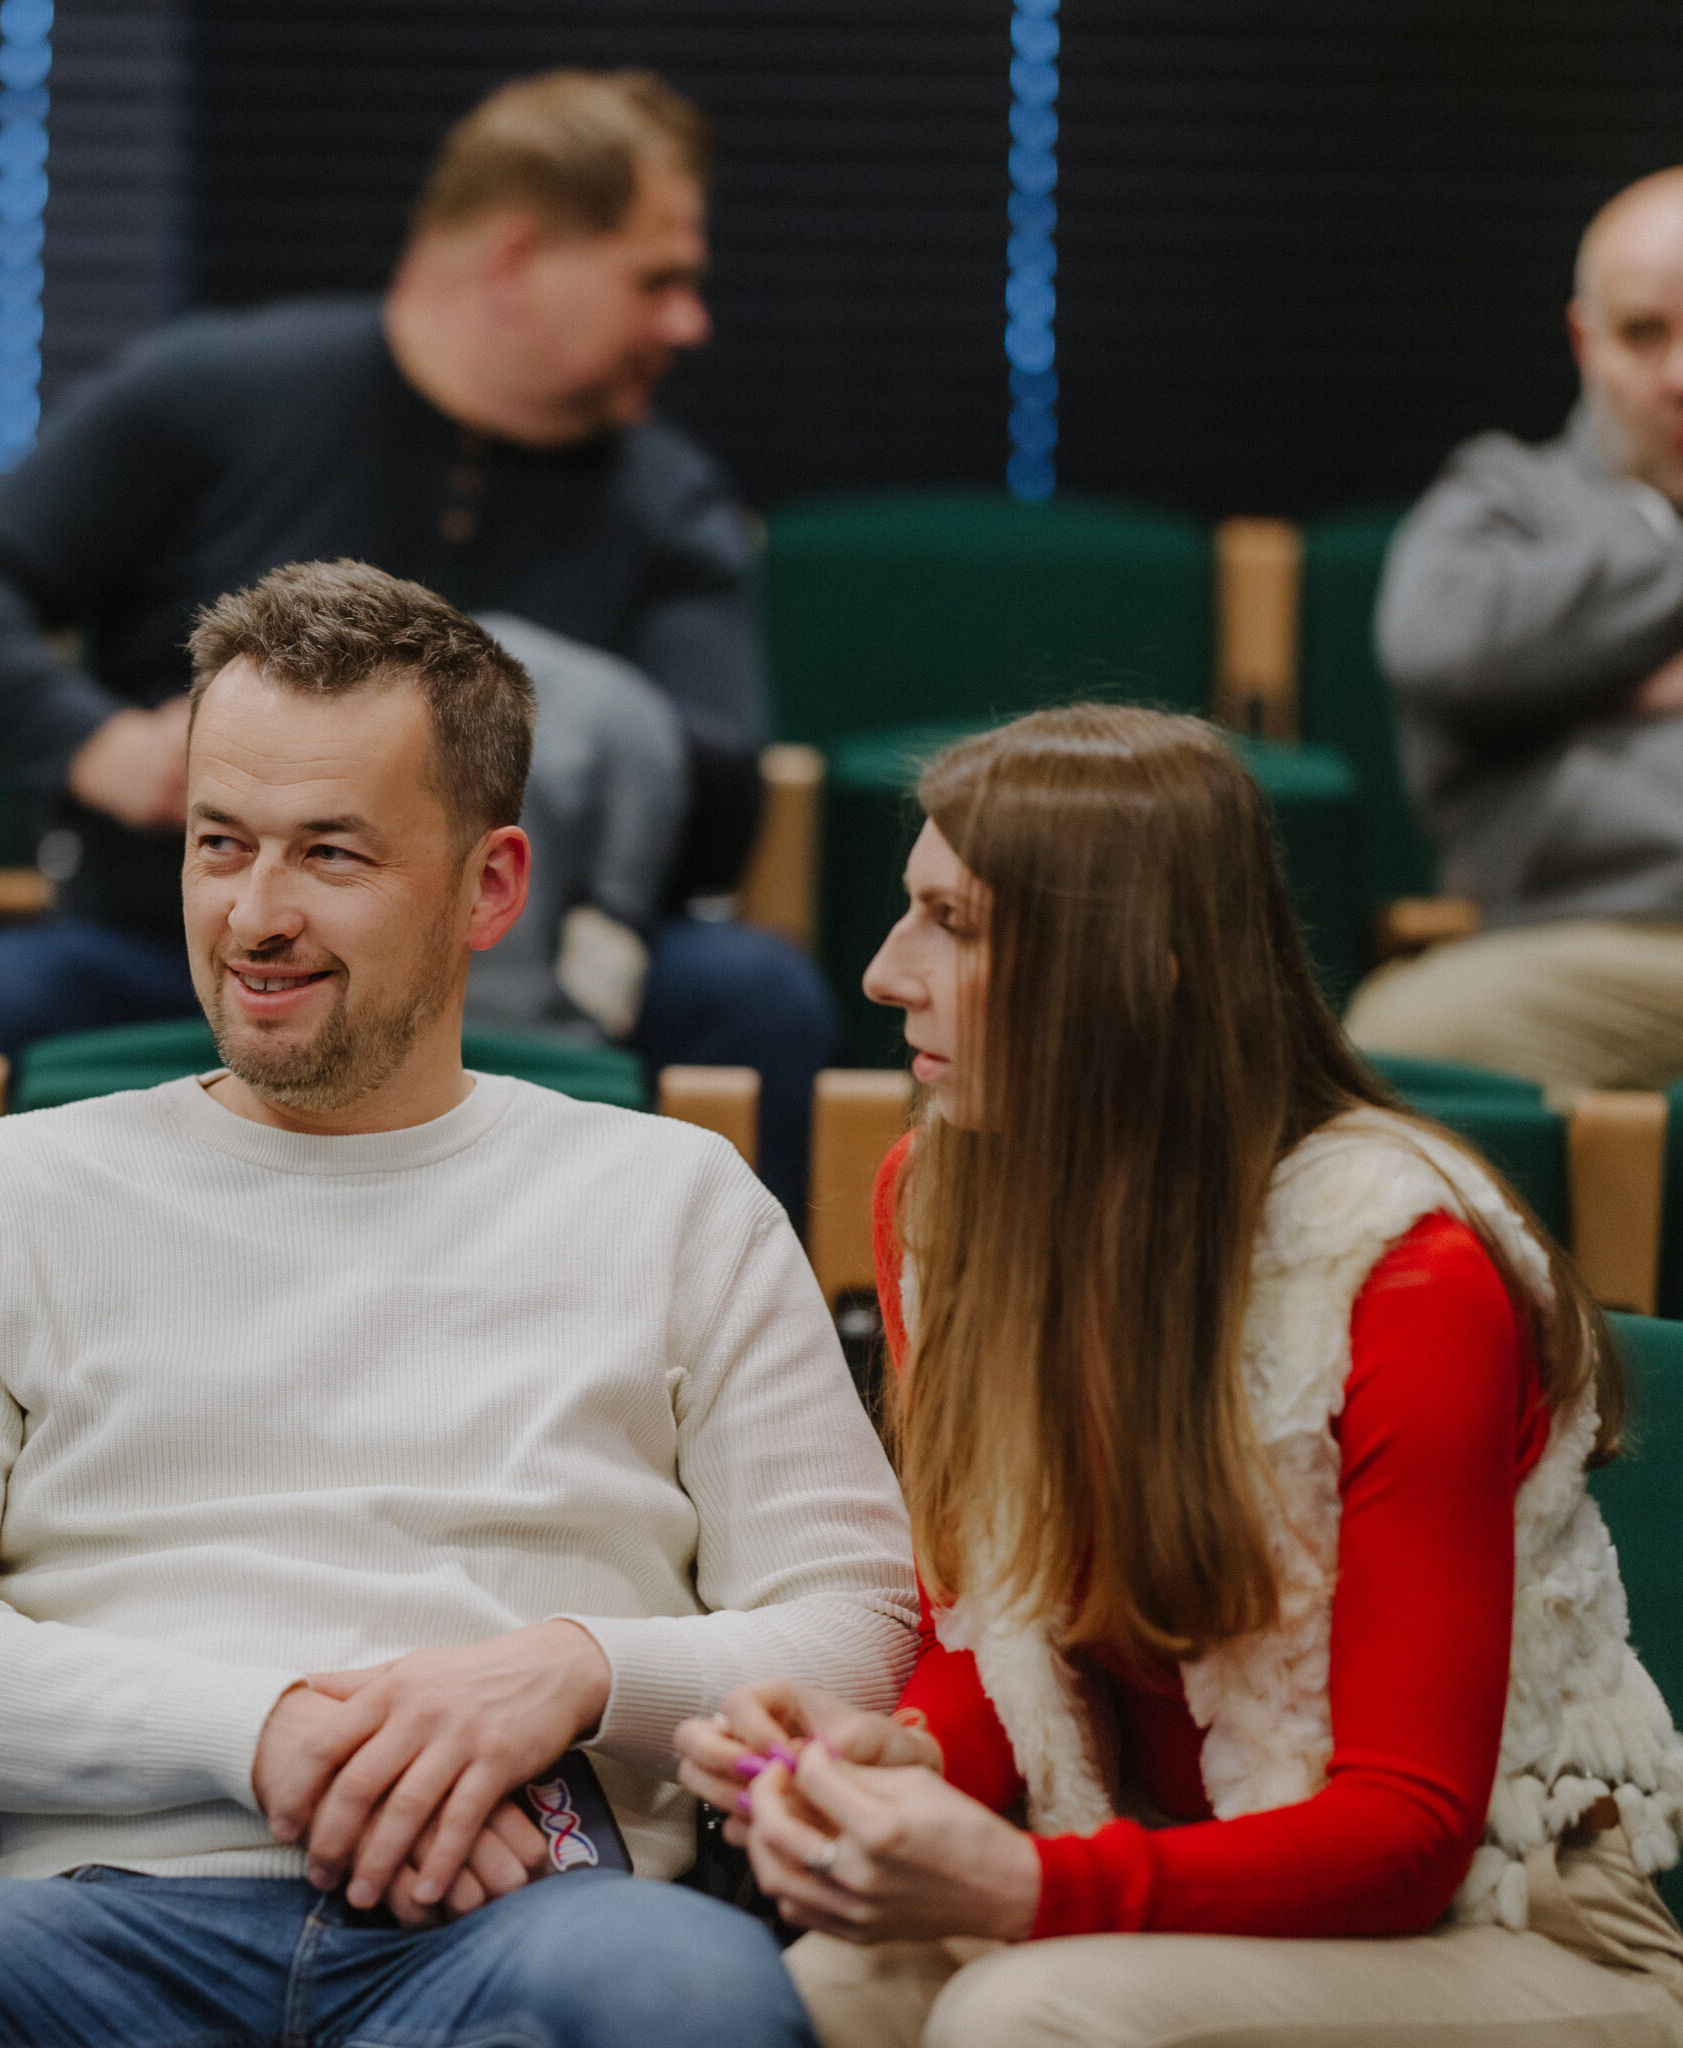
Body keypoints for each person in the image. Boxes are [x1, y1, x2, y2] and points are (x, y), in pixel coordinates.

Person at [0, 561, 915, 2048]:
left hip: (527, 1913)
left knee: (689, 1998)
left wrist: (574, 1672)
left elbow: (863, 1621)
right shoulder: (4, 1192)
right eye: (219, 843)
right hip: (90, 1912)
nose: (254, 914)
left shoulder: (674, 1198)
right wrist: (265, 1736)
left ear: (491, 887)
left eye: (331, 855)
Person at [670, 704, 1683, 2047]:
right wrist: (901, 1754)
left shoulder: (1404, 1269)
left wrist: (1030, 1887)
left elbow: (1408, 1835)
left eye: (951, 924)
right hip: (1178, 1871)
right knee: (806, 1998)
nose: (883, 972)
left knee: (1026, 2014)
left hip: (1512, 1923)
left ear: (1133, 970)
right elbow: (998, 1646)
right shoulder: (946, 1200)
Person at [0, 67, 835, 1212]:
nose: (688, 322)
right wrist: (101, 747)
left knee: (755, 997)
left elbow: (721, 785)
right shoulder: (212, 392)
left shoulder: (669, 498)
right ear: (517, 260)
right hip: (186, 949)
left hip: (530, 970)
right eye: (657, 280)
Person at [1352, 166, 1683, 1091]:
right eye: (1645, 333)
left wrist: (1589, 666)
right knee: (1401, 1036)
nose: (1681, 377)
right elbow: (1440, 644)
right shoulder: (1507, 495)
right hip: (1594, 951)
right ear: (1585, 341)